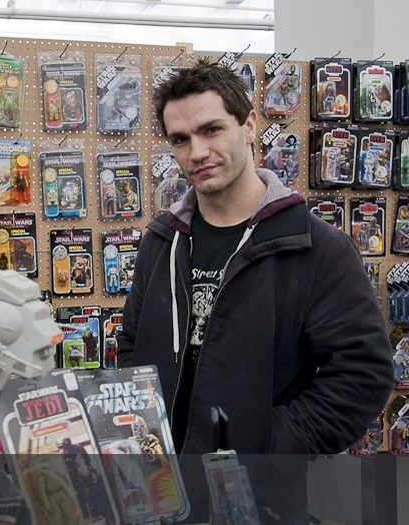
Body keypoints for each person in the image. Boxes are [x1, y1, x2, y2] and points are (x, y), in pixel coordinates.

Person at [116, 60, 392, 523]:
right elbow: (131, 343)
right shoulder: (161, 241)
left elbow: (363, 375)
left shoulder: (315, 247)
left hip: (262, 503)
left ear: (249, 125)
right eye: (180, 139)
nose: (197, 152)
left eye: (211, 130)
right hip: (159, 495)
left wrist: (273, 445)